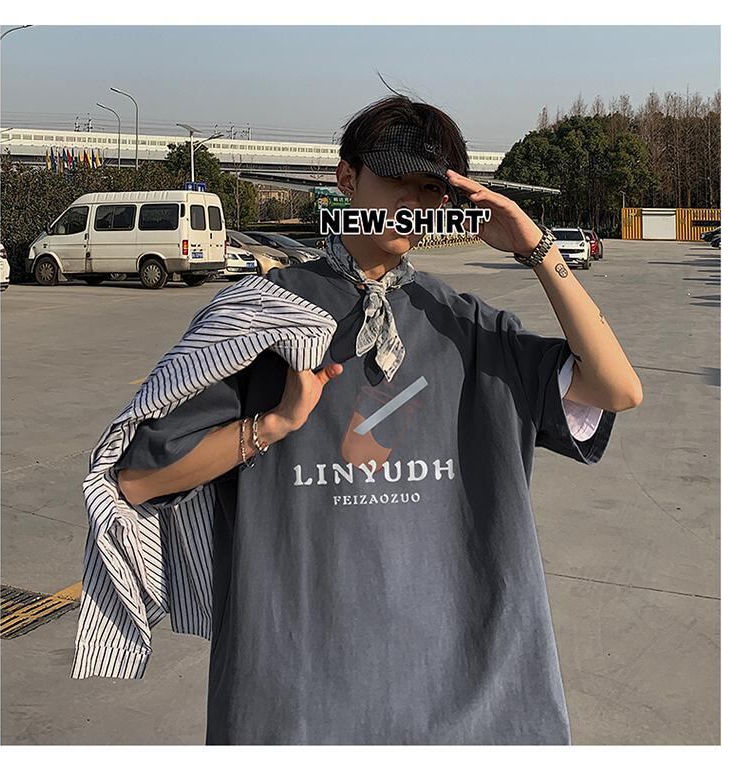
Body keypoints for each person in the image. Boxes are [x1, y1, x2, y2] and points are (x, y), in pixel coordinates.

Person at [116, 94, 642, 745]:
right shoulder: (264, 315)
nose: (411, 203)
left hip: (465, 704)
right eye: (397, 180)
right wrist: (272, 426)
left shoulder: (469, 326)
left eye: (431, 189)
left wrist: (535, 248)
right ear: (347, 178)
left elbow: (616, 389)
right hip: (298, 704)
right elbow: (140, 479)